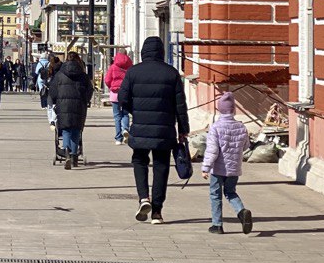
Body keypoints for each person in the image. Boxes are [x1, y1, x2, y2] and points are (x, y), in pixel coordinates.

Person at [118, 35, 189, 225]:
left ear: (143, 52)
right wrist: (183, 129)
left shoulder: (133, 72)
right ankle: (157, 211)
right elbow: (180, 105)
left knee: (139, 161)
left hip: (140, 126)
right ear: (161, 52)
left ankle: (143, 198)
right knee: (161, 166)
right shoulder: (171, 73)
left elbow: (122, 98)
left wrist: (136, 110)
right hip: (165, 129)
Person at [203, 92, 254, 234]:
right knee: (230, 192)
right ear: (233, 110)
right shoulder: (241, 127)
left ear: (219, 109)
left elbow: (212, 150)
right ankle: (241, 211)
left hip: (218, 168)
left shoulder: (215, 127)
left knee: (215, 194)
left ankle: (217, 225)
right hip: (234, 168)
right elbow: (245, 146)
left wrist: (206, 167)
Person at [50, 51, 91, 168]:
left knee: (66, 130)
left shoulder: (60, 74)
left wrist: (54, 101)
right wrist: (85, 100)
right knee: (76, 130)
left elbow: (53, 90)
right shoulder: (83, 75)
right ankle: (74, 157)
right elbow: (89, 89)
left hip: (63, 105)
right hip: (79, 105)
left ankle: (66, 152)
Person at [103, 52, 133, 144]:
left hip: (115, 93)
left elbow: (107, 80)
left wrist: (111, 86)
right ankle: (125, 129)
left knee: (117, 116)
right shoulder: (130, 66)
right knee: (125, 113)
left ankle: (118, 138)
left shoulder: (113, 67)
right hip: (126, 93)